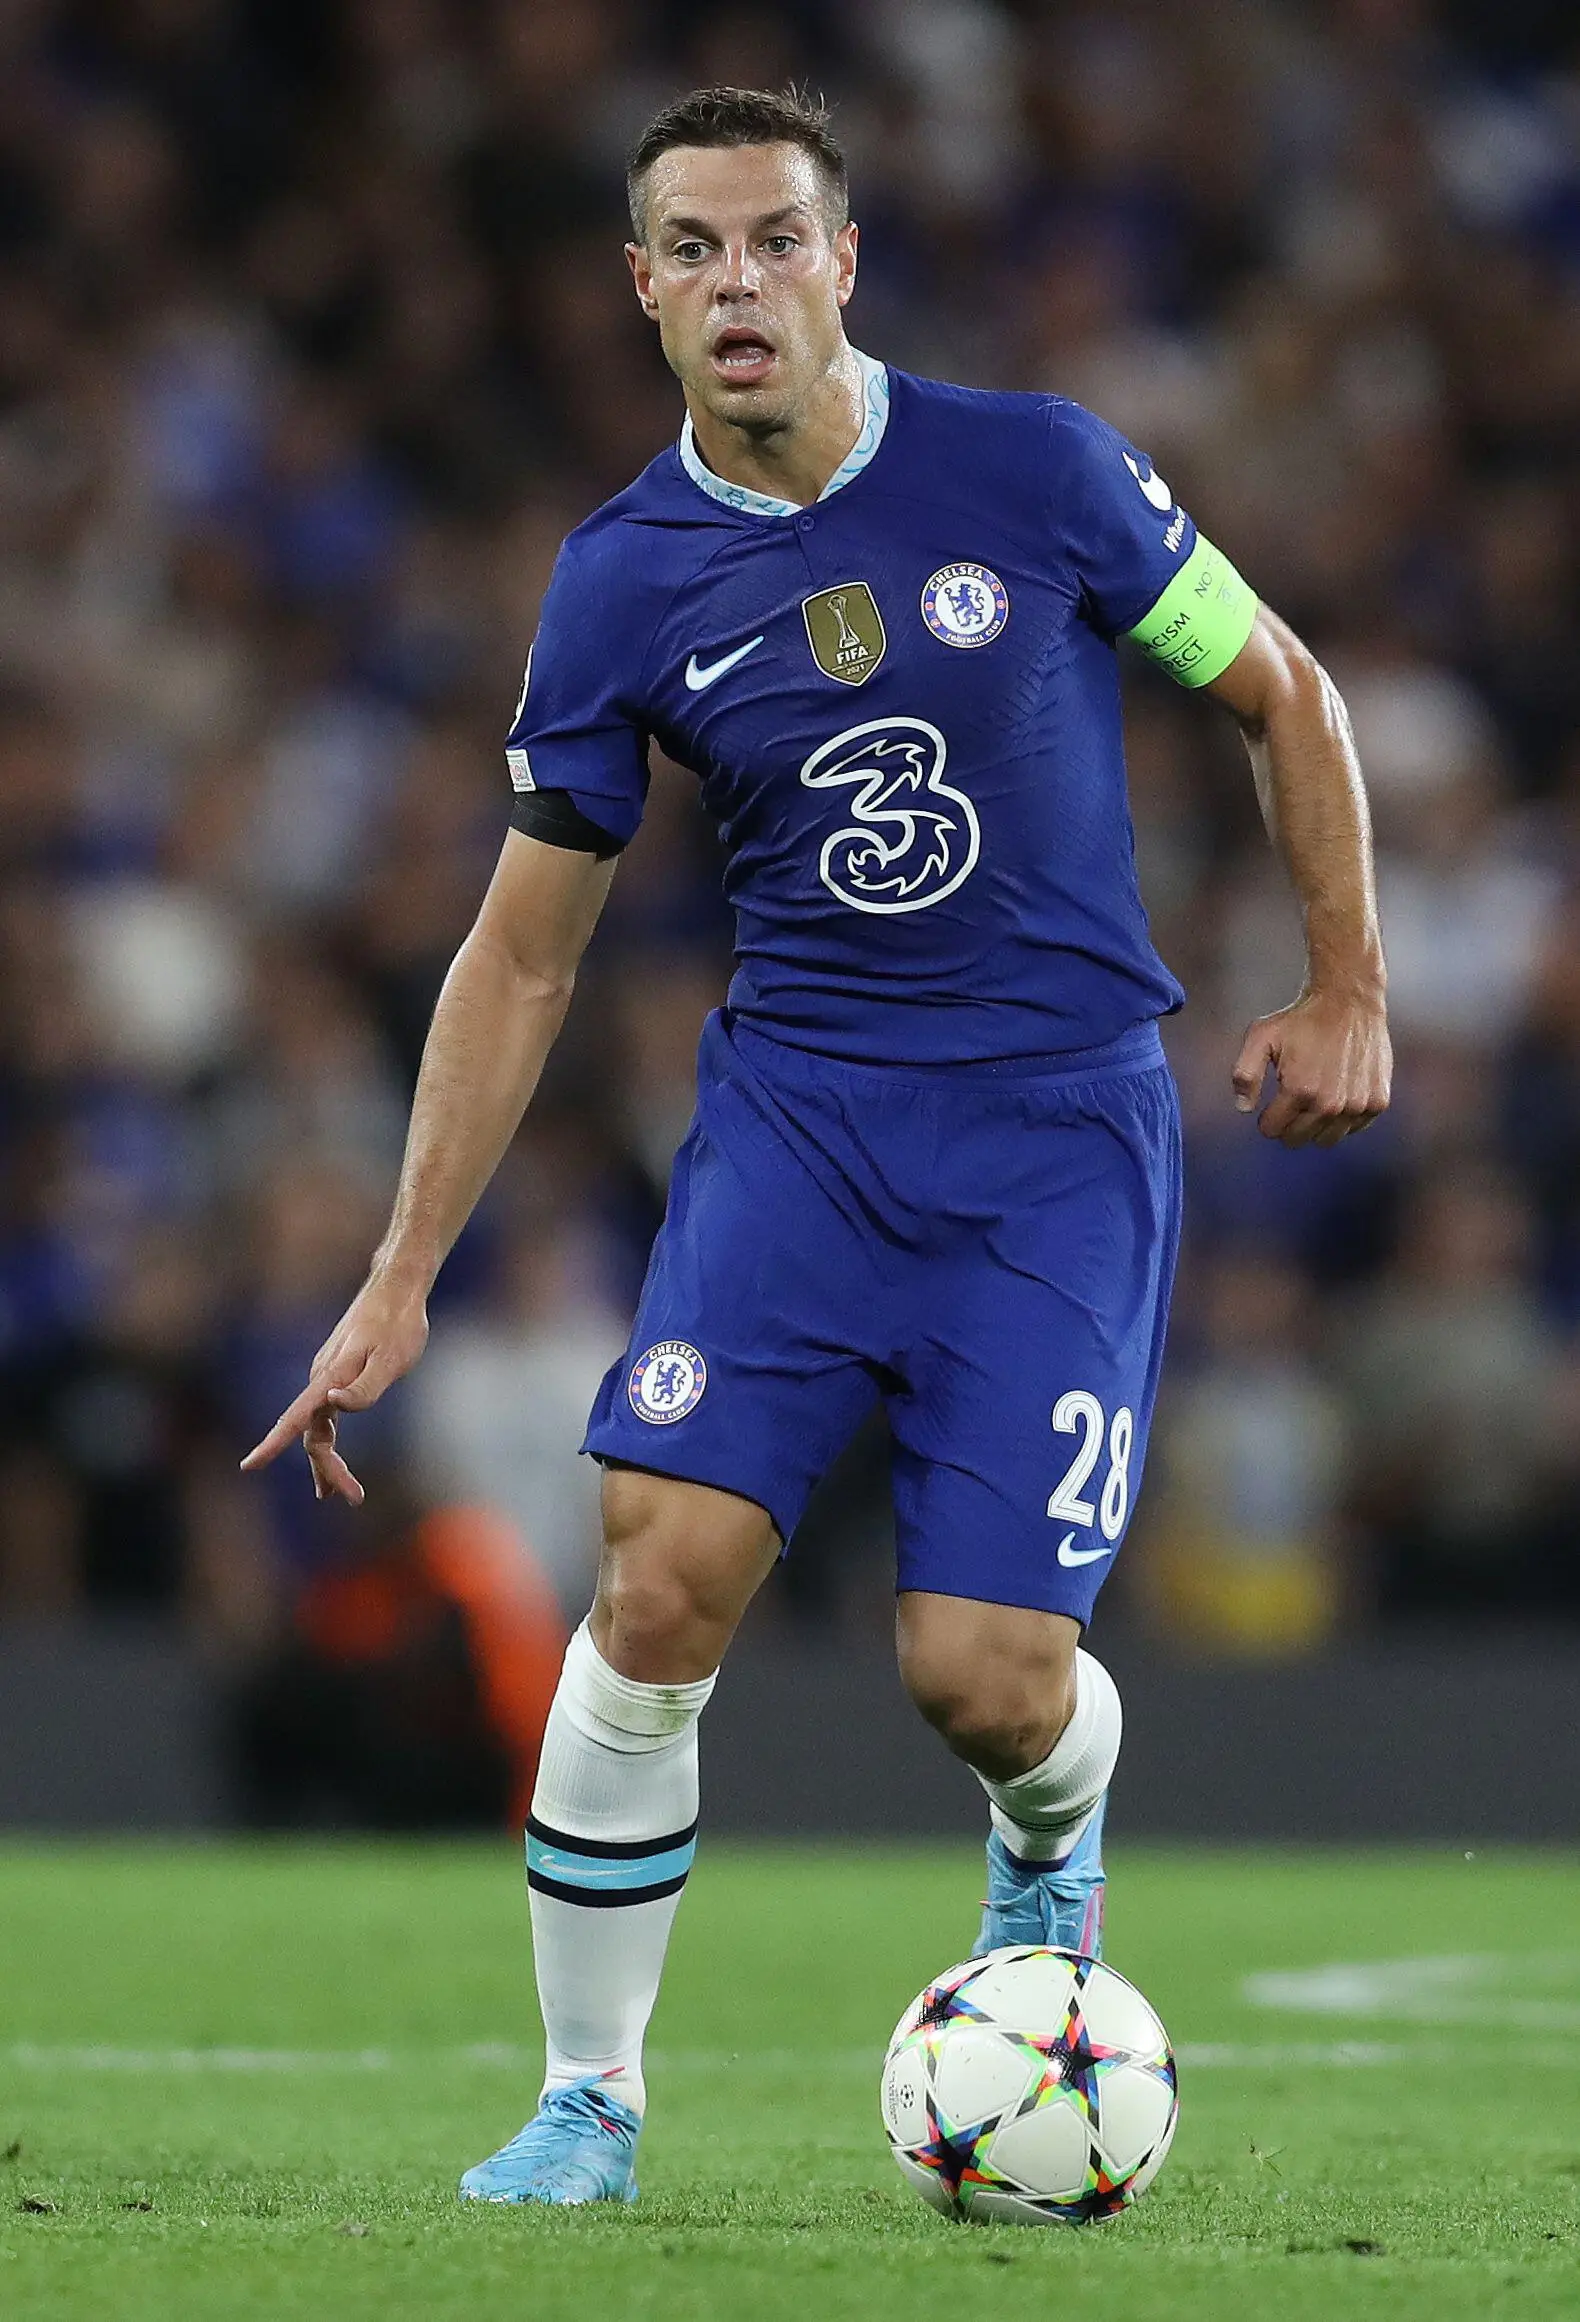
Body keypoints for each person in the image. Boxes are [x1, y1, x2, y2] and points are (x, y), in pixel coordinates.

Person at [242, 86, 1391, 2207]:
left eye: (776, 239)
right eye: (693, 249)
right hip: (799, 1133)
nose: (738, 283)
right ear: (642, 290)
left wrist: (1346, 985)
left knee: (978, 1674)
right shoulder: (617, 582)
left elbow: (1284, 690)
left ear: (845, 261)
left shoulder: (1034, 471)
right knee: (657, 1579)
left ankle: (1050, 1858)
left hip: (1055, 1139)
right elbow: (516, 962)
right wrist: (400, 1273)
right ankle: (589, 2099)